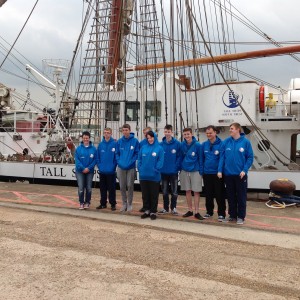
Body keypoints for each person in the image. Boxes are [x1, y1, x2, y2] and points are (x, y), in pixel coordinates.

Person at [218, 122, 254, 225]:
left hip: (240, 175)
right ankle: (232, 216)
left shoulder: (245, 142)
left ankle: (241, 217)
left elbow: (250, 157)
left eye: (232, 129)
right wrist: (220, 170)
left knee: (241, 196)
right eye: (230, 129)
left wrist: (244, 170)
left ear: (238, 130)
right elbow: (222, 158)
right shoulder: (226, 142)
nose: (230, 130)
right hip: (228, 175)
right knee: (230, 196)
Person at [200, 125, 226, 221]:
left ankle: (221, 214)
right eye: (207, 133)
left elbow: (222, 159)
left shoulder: (221, 144)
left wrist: (219, 171)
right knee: (208, 194)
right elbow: (202, 159)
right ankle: (209, 212)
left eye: (210, 133)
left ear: (215, 132)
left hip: (217, 174)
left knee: (219, 194)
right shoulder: (204, 145)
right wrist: (202, 171)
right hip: (207, 173)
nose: (208, 135)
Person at [138, 130, 164, 220]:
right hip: (143, 176)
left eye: (151, 137)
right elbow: (139, 160)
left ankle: (153, 211)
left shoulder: (159, 148)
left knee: (154, 195)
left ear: (155, 137)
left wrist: (156, 169)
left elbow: (161, 160)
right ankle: (147, 210)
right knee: (145, 195)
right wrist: (140, 170)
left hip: (154, 177)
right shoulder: (143, 148)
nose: (150, 139)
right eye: (148, 138)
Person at [179, 128, 204, 220]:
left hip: (195, 170)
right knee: (187, 191)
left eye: (188, 134)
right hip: (185, 170)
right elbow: (181, 157)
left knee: (196, 191)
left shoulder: (198, 145)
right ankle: (190, 210)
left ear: (191, 134)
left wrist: (201, 171)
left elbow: (201, 158)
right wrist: (181, 168)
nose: (186, 136)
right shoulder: (182, 145)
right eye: (185, 134)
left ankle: (197, 211)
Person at [116, 124, 139, 212]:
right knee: (122, 186)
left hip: (131, 167)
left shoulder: (135, 141)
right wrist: (119, 162)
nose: (125, 132)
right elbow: (117, 154)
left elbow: (137, 153)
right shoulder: (119, 141)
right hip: (121, 167)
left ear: (130, 130)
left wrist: (130, 162)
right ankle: (124, 203)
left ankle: (129, 203)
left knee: (130, 186)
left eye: (126, 130)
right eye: (123, 130)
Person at [158, 124, 181, 215]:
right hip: (163, 172)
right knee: (164, 192)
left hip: (173, 172)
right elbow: (158, 158)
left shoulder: (177, 144)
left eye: (169, 132)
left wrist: (176, 167)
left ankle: (173, 208)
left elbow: (179, 157)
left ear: (172, 132)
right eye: (166, 132)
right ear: (164, 132)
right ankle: (165, 208)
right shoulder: (160, 145)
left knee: (174, 192)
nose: (167, 133)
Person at [96, 128, 117, 211]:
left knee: (112, 189)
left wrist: (113, 166)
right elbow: (97, 157)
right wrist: (100, 166)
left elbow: (116, 157)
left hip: (111, 171)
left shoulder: (114, 144)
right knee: (102, 188)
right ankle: (103, 204)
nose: (106, 134)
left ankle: (113, 204)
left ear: (111, 134)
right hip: (102, 171)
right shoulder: (101, 145)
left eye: (108, 133)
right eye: (105, 133)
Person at [75, 131, 97, 210]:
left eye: (87, 138)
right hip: (79, 171)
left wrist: (88, 168)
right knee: (81, 187)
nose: (85, 139)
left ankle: (87, 202)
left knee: (88, 187)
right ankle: (81, 202)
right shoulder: (78, 149)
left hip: (89, 171)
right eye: (84, 138)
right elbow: (77, 160)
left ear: (89, 138)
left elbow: (95, 160)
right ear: (82, 138)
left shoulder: (93, 149)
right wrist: (83, 168)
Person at [138, 126, 152, 212]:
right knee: (144, 191)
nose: (146, 135)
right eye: (144, 133)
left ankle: (152, 207)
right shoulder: (142, 143)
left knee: (152, 190)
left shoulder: (155, 142)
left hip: (152, 171)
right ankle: (145, 206)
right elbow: (139, 157)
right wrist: (140, 168)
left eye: (147, 133)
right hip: (144, 170)